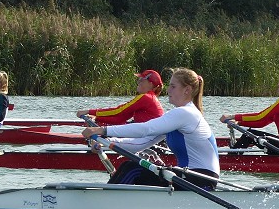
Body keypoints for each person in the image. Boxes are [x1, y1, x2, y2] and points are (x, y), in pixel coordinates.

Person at [81, 68, 219, 189]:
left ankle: (105, 202)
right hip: (189, 176)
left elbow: (145, 129)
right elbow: (140, 143)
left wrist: (103, 130)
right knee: (129, 166)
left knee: (132, 169)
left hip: (201, 179)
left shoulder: (186, 113)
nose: (168, 90)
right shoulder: (179, 116)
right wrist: (106, 143)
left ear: (187, 90)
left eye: (173, 86)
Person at [220, 70, 279, 145]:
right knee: (250, 135)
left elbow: (259, 116)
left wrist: (232, 116)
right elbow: (262, 122)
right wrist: (239, 122)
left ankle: (234, 156)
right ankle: (235, 155)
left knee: (248, 135)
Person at [76, 69, 164, 125]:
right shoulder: (149, 98)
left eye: (141, 80)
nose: (138, 82)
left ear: (150, 84)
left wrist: (89, 111)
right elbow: (120, 119)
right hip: (146, 136)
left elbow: (118, 111)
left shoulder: (146, 97)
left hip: (147, 138)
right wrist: (97, 118)